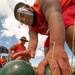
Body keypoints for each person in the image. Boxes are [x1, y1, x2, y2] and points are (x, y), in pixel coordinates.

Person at [13, 0, 75, 75]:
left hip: (69, 5)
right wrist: (31, 49)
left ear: (27, 7)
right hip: (58, 21)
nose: (24, 20)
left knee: (65, 21)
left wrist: (57, 47)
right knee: (47, 43)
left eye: (22, 15)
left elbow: (54, 13)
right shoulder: (32, 27)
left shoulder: (41, 4)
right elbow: (33, 39)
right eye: (21, 21)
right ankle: (53, 65)